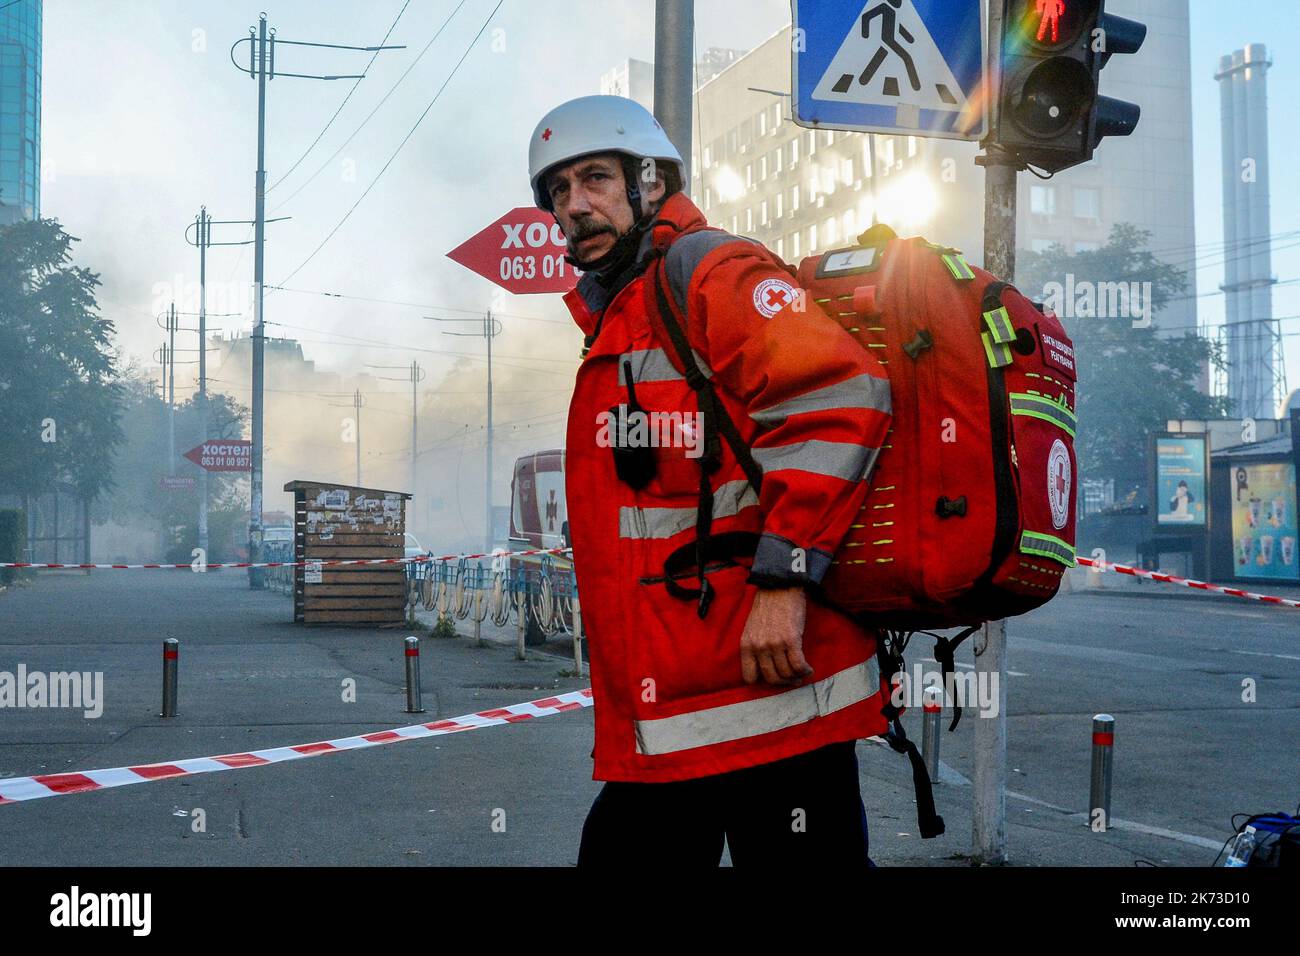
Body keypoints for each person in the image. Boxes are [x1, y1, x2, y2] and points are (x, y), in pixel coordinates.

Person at [528, 95, 893, 866]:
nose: (575, 205)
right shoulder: (620, 316)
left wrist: (784, 582)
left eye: (595, 178)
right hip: (679, 708)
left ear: (651, 182)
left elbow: (839, 397)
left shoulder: (712, 273)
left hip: (775, 693)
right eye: (559, 190)